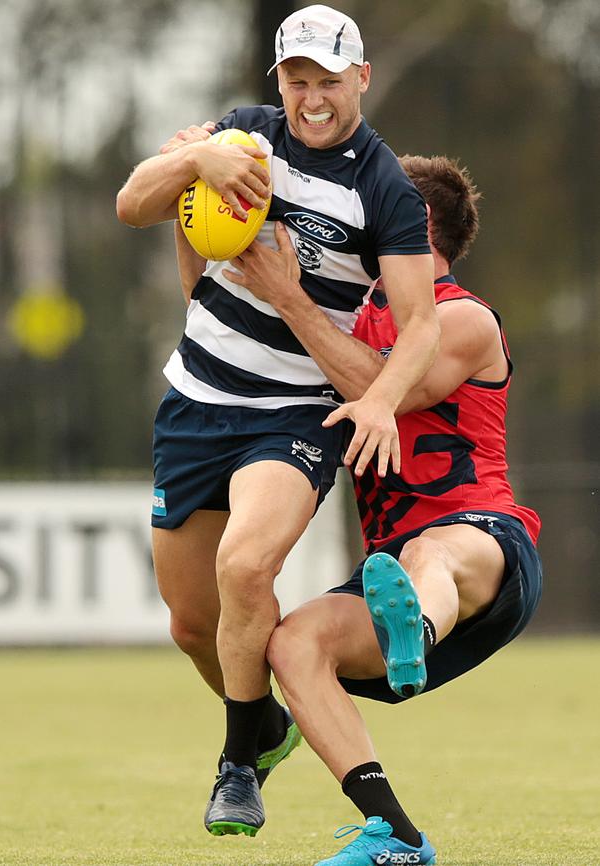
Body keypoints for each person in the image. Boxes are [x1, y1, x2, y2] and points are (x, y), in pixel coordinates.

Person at [116, 4, 439, 838]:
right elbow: (132, 206)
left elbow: (421, 326)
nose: (312, 98)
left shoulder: (384, 190)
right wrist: (197, 156)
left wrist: (374, 398)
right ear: (279, 83)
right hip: (195, 399)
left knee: (246, 564)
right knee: (193, 623)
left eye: (328, 81)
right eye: (296, 81)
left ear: (360, 78)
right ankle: (263, 725)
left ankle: (235, 771)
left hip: (293, 414)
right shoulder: (245, 140)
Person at [229, 154, 541, 865]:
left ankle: (415, 631)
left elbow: (381, 389)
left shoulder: (462, 319)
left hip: (486, 544)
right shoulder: (349, 317)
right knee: (291, 643)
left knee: (430, 551)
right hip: (391, 566)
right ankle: (394, 835)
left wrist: (292, 299)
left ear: (413, 223)